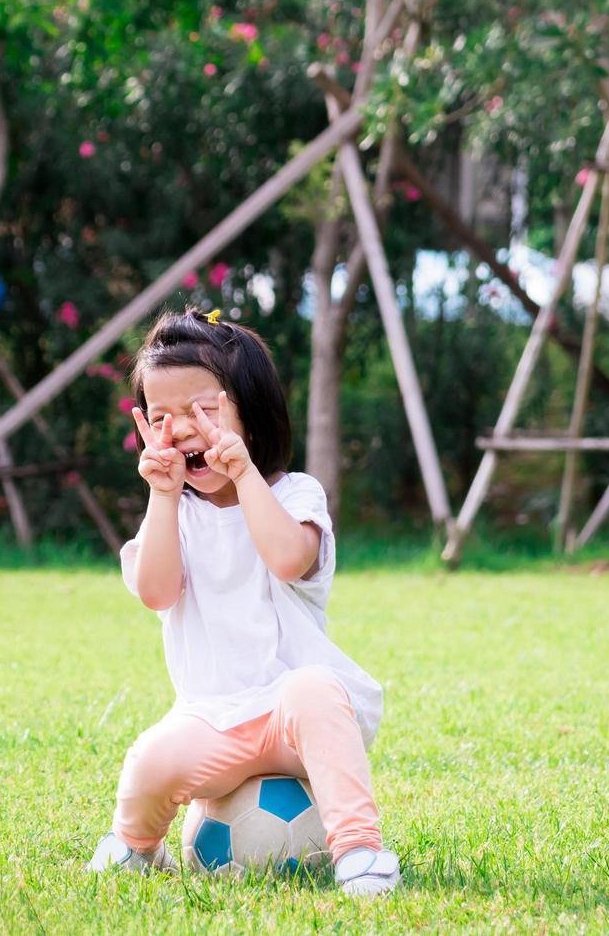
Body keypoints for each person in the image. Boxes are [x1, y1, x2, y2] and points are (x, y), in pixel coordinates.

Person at [87, 307, 399, 897]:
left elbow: (287, 557)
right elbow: (156, 591)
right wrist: (162, 495)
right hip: (214, 718)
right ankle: (136, 846)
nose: (181, 429)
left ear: (249, 416)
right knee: (149, 758)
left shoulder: (294, 493)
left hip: (297, 717)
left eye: (203, 411)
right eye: (161, 417)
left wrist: (247, 475)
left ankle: (360, 851)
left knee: (314, 687)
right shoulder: (174, 516)